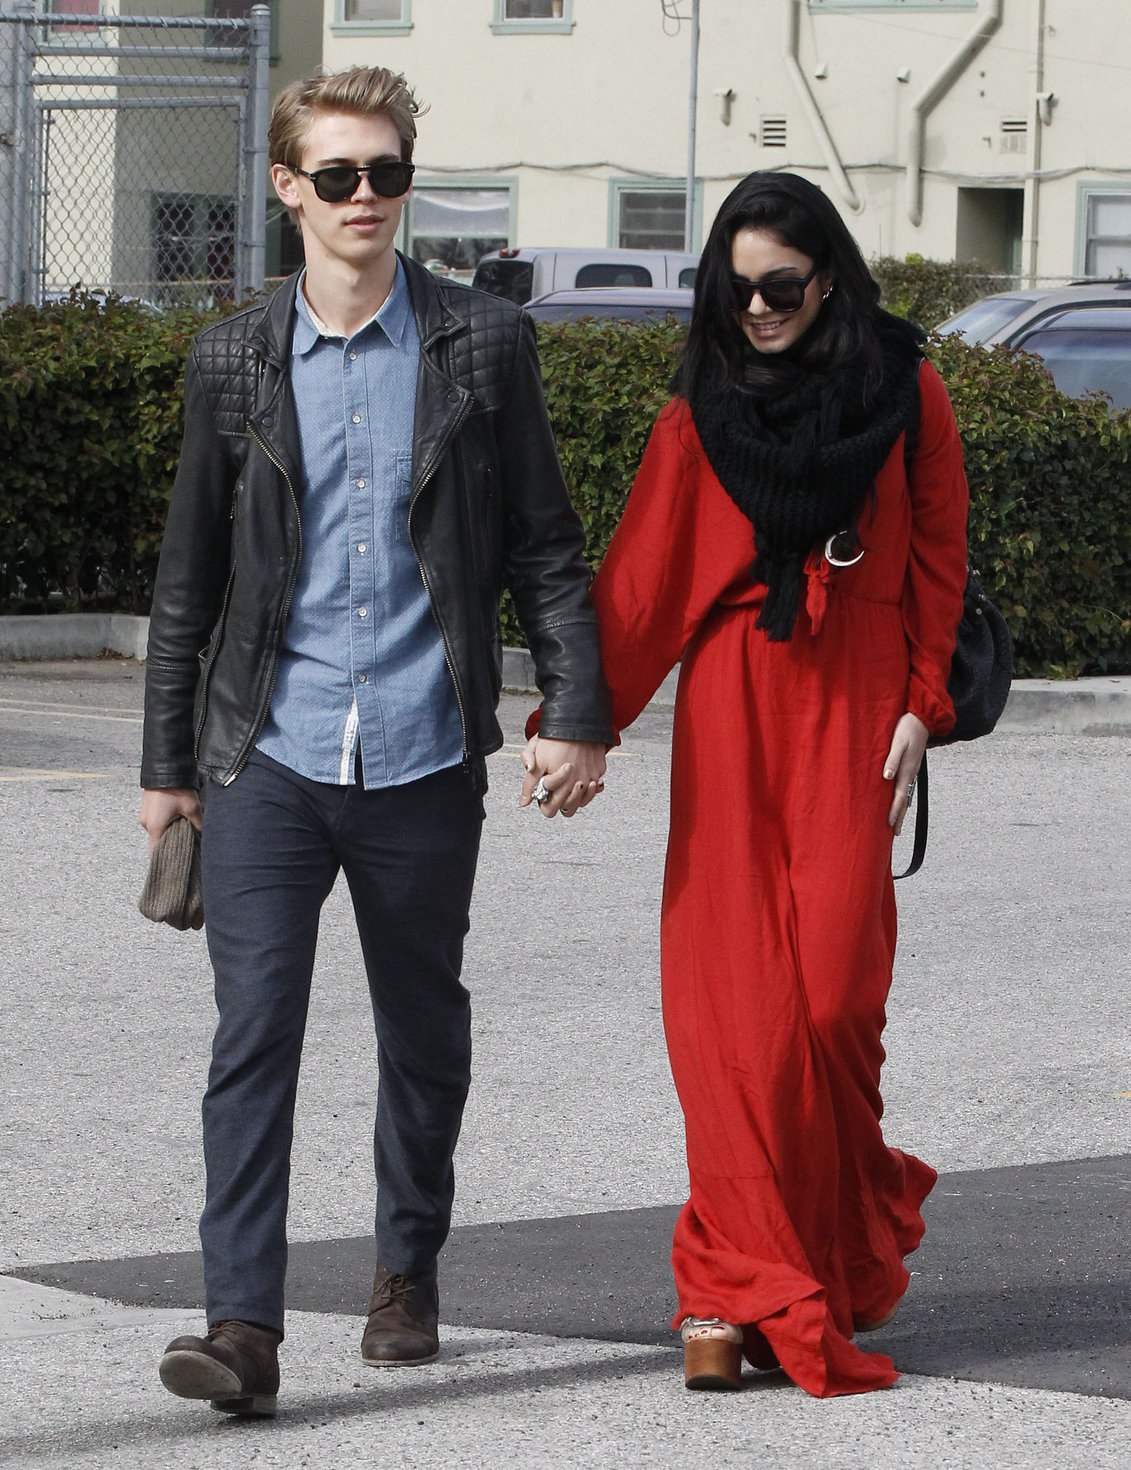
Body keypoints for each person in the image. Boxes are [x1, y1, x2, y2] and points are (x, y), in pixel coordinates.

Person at [140, 65, 611, 1418]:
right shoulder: (233, 357)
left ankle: (405, 1268)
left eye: (387, 173)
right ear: (288, 185)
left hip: (420, 748)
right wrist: (167, 768)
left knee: (422, 1028)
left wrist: (575, 710)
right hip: (267, 754)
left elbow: (544, 545)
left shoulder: (481, 343)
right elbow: (188, 578)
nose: (366, 197)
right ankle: (241, 1326)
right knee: (253, 1034)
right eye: (339, 175)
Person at [525, 172, 968, 1397]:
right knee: (734, 1016)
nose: (758, 309)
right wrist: (579, 723)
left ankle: (814, 1260)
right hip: (733, 711)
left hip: (857, 709)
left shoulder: (908, 390)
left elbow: (940, 555)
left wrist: (923, 703)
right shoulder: (700, 414)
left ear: (829, 280)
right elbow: (643, 585)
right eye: (736, 289)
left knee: (833, 1005)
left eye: (781, 286)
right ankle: (724, 1294)